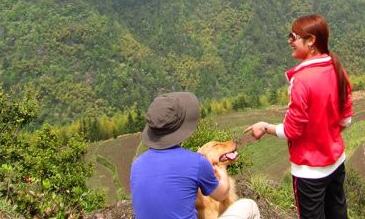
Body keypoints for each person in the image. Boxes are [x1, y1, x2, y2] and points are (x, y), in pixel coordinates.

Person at [245, 14, 353, 219]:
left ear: (310, 40)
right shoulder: (337, 69)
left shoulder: (301, 81)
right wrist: (325, 135)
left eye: (293, 36)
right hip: (337, 162)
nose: (289, 41)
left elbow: (292, 130)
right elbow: (346, 120)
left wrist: (265, 127)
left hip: (309, 171)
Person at [130, 91, 260, 219]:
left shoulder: (137, 165)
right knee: (249, 205)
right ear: (181, 128)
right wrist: (221, 167)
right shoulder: (195, 161)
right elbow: (222, 194)